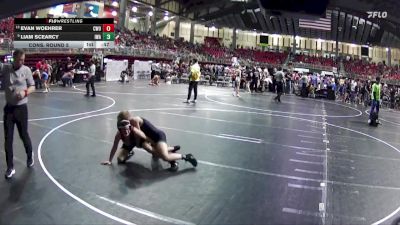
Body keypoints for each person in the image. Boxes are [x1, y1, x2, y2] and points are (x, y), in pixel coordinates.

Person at [102, 111, 197, 171]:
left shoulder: (134, 124)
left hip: (155, 137)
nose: (125, 127)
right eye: (122, 125)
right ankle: (169, 149)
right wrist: (110, 160)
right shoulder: (121, 132)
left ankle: (184, 156)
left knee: (162, 155)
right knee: (120, 159)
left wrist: (151, 145)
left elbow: (143, 137)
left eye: (126, 123)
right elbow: (115, 146)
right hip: (138, 140)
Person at [0, 49, 35, 179]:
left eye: (23, 59)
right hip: (9, 109)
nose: (22, 62)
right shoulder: (6, 68)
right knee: (8, 139)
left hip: (21, 109)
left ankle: (30, 155)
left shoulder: (26, 70)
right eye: (20, 59)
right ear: (14, 58)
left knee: (23, 135)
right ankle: (10, 167)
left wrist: (24, 92)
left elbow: (32, 86)